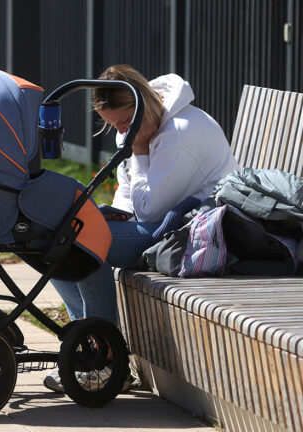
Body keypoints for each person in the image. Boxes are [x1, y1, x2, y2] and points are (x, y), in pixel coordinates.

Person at [42, 64, 239, 393]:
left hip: (193, 231)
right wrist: (118, 211)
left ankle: (104, 358)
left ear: (144, 104)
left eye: (123, 122)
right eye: (114, 125)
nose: (120, 131)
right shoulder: (141, 126)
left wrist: (141, 152)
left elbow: (153, 208)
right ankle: (89, 340)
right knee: (53, 240)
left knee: (89, 244)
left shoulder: (178, 134)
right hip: (162, 223)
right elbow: (129, 191)